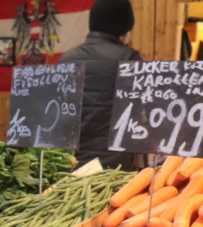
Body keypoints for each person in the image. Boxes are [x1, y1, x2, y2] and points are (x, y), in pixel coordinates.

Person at [60, 0, 142, 170]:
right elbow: (140, 112)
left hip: (69, 163)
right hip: (113, 168)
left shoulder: (66, 59)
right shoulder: (128, 59)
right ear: (124, 28)